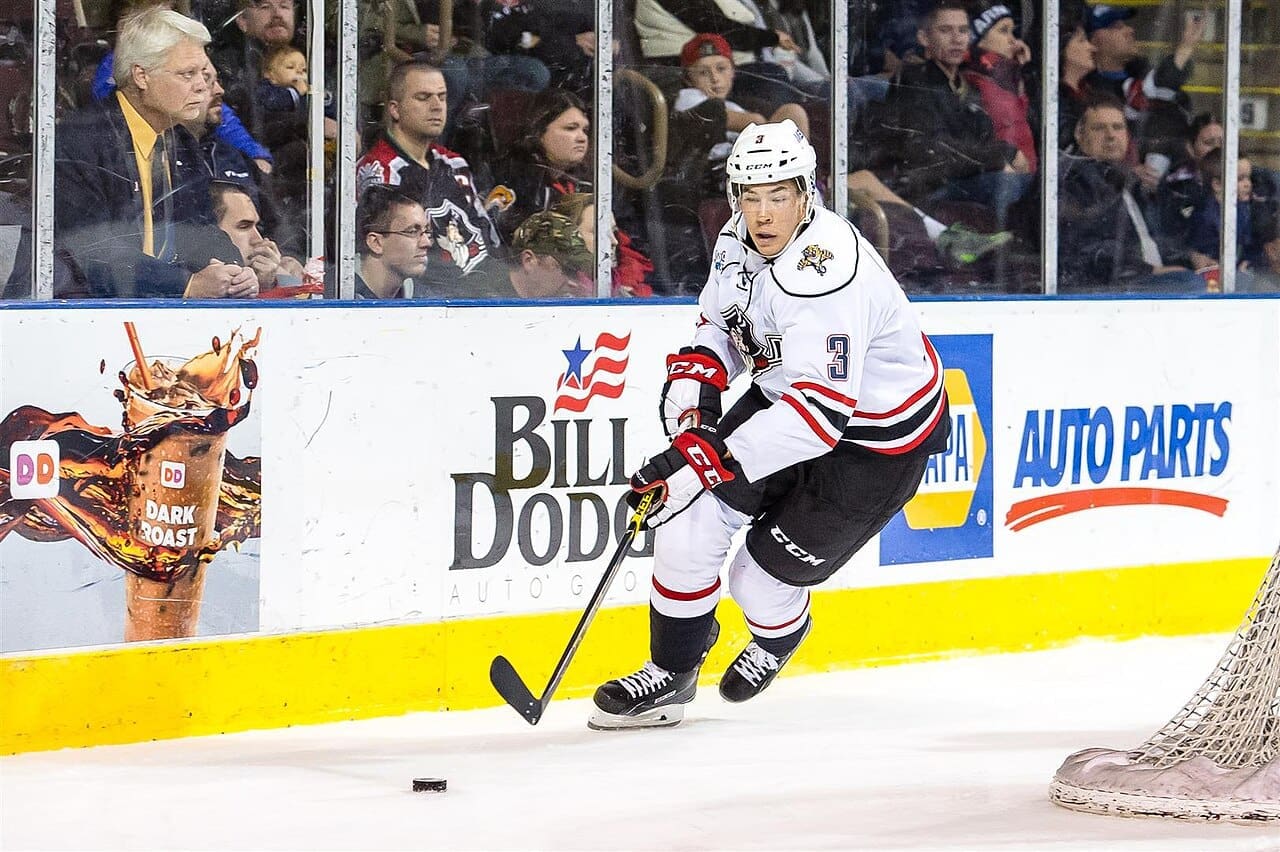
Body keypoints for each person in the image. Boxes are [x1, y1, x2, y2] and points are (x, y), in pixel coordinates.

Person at [589, 120, 951, 730]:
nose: (762, 213)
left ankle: (779, 637)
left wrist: (696, 464)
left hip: (873, 445)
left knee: (754, 579)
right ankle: (672, 673)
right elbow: (718, 330)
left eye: (778, 195)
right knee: (688, 524)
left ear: (808, 194)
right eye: (749, 196)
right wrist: (693, 414)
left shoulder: (827, 272)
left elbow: (817, 419)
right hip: (790, 401)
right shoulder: (738, 239)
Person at [54, 7, 256, 298]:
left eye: (203, 74)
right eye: (187, 74)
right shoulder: (81, 141)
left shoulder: (182, 142)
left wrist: (235, 273)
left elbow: (202, 231)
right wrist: (186, 285)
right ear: (141, 76)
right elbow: (93, 252)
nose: (202, 87)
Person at [355, 60, 504, 297]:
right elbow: (393, 257)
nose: (437, 106)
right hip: (433, 301)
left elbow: (488, 237)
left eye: (442, 97)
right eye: (423, 97)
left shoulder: (455, 164)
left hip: (483, 291)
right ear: (395, 109)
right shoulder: (380, 169)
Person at [1057, 96, 1208, 293]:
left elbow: (1159, 236)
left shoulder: (1132, 180)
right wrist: (1151, 270)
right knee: (1190, 285)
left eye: (1117, 127)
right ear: (1079, 134)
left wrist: (1190, 256)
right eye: (1099, 128)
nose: (1110, 135)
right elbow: (1087, 250)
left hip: (1149, 278)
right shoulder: (1073, 181)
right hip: (1115, 288)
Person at [963, 4, 1036, 173]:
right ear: (979, 38)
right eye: (1004, 31)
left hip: (1025, 175)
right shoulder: (973, 79)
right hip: (1001, 174)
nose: (1013, 40)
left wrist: (1023, 71)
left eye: (1013, 32)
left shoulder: (1012, 75)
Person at [211, 181, 303, 289]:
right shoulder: (190, 286)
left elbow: (301, 300)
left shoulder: (275, 275)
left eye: (258, 227)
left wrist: (276, 281)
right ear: (212, 232)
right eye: (244, 227)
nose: (258, 239)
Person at [354, 184, 430, 299]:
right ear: (376, 243)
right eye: (413, 231)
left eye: (427, 231)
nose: (426, 243)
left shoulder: (425, 298)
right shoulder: (330, 295)